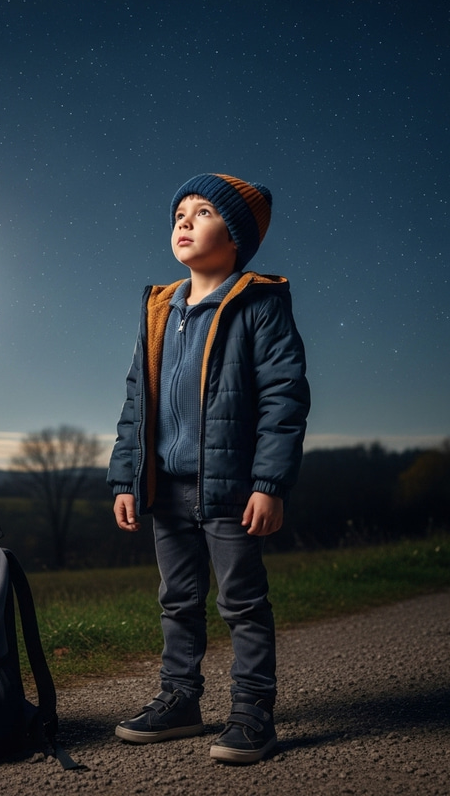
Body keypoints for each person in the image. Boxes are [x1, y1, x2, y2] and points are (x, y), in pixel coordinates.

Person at [106, 173, 310, 764]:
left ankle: (252, 712)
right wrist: (126, 477)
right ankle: (181, 699)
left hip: (231, 488)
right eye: (178, 214)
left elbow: (284, 399)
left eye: (202, 213)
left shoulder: (259, 304)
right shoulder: (161, 308)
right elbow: (134, 401)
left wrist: (269, 484)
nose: (184, 222)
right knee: (177, 599)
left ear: (237, 237)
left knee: (242, 603)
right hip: (165, 485)